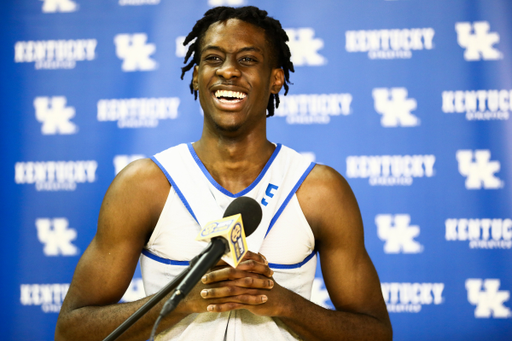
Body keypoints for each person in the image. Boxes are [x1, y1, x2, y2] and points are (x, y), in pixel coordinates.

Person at [55, 6, 392, 341]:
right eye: (214, 59)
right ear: (196, 75)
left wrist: (283, 303)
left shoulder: (320, 190)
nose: (228, 71)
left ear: (276, 79)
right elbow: (71, 331)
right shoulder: (143, 185)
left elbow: (376, 333)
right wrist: (183, 301)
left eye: (247, 59)